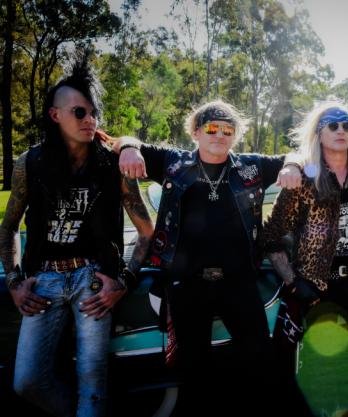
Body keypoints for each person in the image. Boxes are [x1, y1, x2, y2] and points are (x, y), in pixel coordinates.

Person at [115, 100, 302, 415]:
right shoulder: (173, 162)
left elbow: (297, 156)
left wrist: (293, 166)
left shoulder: (251, 166)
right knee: (193, 372)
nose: (220, 135)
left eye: (228, 130)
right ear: (196, 132)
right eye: (212, 128)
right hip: (186, 284)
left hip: (239, 282)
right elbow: (123, 140)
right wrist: (128, 149)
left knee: (262, 362)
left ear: (235, 135)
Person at [0, 53, 154, 417]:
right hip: (44, 282)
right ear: (55, 115)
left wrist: (124, 282)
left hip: (94, 281)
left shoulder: (111, 164)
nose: (89, 120)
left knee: (92, 382)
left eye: (93, 112)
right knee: (27, 382)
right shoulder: (29, 163)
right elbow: (8, 228)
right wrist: (14, 283)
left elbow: (146, 232)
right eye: (79, 112)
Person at [262, 102, 348, 417]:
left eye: (346, 125)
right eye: (332, 125)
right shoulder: (304, 181)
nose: (340, 131)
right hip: (317, 291)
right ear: (319, 134)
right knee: (318, 369)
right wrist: (294, 282)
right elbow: (270, 237)